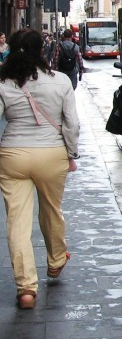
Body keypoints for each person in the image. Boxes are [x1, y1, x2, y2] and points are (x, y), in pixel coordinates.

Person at [0, 29, 80, 310]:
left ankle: (26, 289)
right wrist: (71, 153)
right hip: (51, 155)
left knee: (17, 222)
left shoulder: (3, 83)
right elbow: (71, 123)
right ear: (42, 50)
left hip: (13, 156)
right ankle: (56, 259)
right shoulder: (59, 81)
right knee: (51, 209)